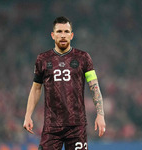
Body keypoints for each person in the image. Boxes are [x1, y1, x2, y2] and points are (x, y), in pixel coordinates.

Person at [23, 16, 106, 150]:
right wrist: (28, 115)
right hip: (51, 125)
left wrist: (100, 114)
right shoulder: (43, 59)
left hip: (77, 126)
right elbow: (36, 88)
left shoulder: (83, 58)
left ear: (71, 35)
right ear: (53, 35)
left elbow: (94, 87)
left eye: (66, 32)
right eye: (59, 31)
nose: (63, 35)